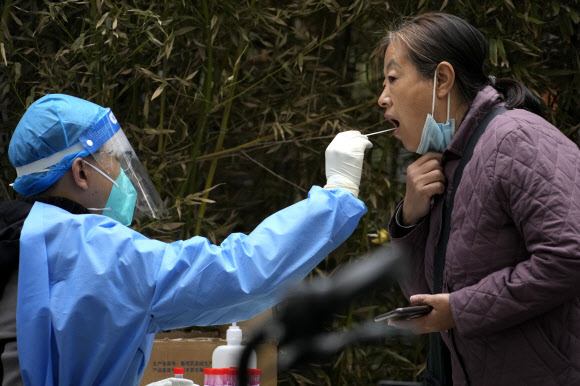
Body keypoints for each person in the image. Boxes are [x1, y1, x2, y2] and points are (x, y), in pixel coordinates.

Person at [0, 94, 372, 385]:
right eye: (113, 158)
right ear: (81, 171)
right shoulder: (95, 251)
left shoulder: (22, 237)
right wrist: (336, 195)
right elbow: (241, 273)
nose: (123, 174)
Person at [376, 12, 580, 386]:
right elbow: (426, 296)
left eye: (392, 78)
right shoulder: (447, 159)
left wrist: (460, 310)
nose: (382, 98)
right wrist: (410, 218)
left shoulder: (517, 138)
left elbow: (569, 254)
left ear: (442, 79)